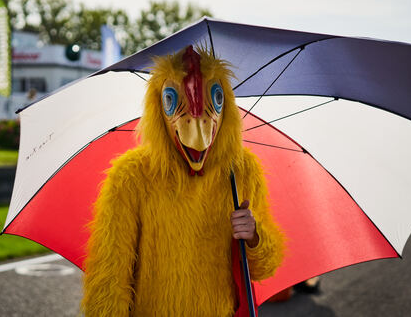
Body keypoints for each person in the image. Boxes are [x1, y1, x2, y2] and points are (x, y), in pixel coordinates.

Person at [81, 46, 284, 316]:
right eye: (171, 101)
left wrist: (254, 235)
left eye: (217, 99)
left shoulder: (242, 171)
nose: (197, 129)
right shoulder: (131, 177)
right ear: (157, 107)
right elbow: (110, 278)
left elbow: (264, 268)